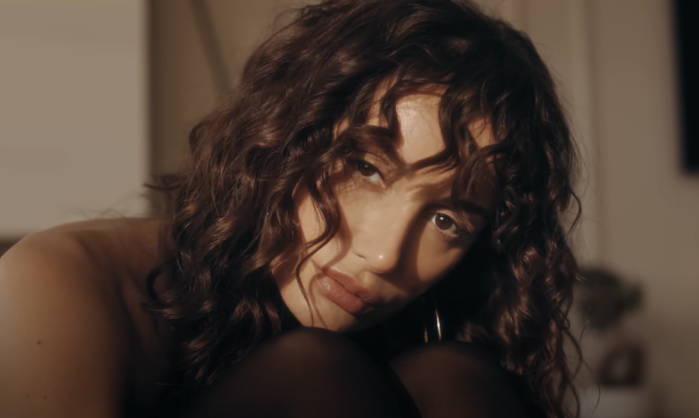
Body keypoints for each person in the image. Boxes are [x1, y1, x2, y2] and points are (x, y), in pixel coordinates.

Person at [0, 0, 582, 417]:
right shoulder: (59, 283)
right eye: (367, 167)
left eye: (446, 221)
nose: (384, 256)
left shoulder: (433, 352)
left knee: (455, 375)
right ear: (288, 136)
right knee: (315, 371)